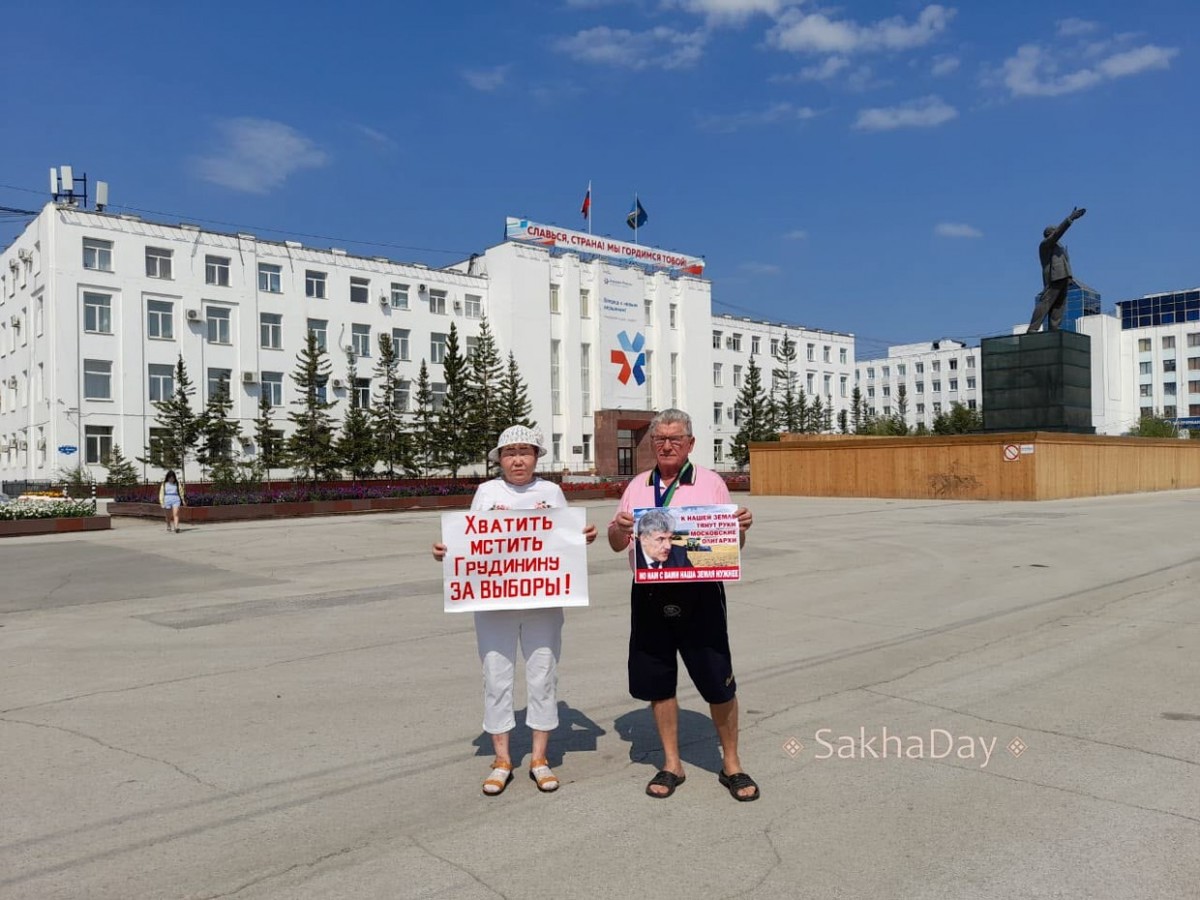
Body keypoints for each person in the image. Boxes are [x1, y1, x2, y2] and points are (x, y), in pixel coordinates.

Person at [432, 425, 598, 796]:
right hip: (493, 604)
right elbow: (469, 539)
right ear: (499, 459)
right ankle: (502, 760)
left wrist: (583, 536)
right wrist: (447, 552)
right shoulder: (487, 492)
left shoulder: (551, 491)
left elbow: (562, 542)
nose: (518, 459)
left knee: (543, 675)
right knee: (496, 677)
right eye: (510, 453)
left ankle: (540, 759)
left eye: (525, 451)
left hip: (542, 603)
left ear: (537, 456)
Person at [607, 408, 758, 801]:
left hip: (701, 593)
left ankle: (732, 764)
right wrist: (618, 530)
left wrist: (738, 530)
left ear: (691, 443)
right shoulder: (638, 485)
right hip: (650, 592)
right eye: (660, 439)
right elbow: (615, 543)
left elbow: (730, 548)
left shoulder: (711, 484)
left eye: (676, 438)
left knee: (717, 680)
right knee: (659, 681)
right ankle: (672, 763)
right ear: (652, 444)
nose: (667, 445)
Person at [1028, 206, 1086, 333]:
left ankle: (1054, 328)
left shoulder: (1058, 247)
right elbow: (1059, 232)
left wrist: (1070, 277)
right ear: (1050, 234)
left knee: (1059, 304)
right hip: (1054, 277)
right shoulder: (1045, 245)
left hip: (1064, 277)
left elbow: (1065, 262)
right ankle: (1033, 327)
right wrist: (1070, 218)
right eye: (1055, 232)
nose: (1058, 234)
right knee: (1046, 302)